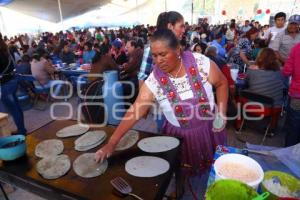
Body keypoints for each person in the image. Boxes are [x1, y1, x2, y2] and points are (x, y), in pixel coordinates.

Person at [95, 30, 227, 183]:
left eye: (163, 54)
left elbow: (222, 83)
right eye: (154, 55)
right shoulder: (154, 81)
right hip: (180, 136)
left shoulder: (201, 63)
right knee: (183, 172)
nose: (158, 61)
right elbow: (136, 109)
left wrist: (222, 113)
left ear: (177, 50)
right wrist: (112, 143)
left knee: (212, 169)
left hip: (208, 128)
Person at [237, 48, 284, 133]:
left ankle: (239, 124)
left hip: (250, 105)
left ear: (259, 57)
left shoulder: (251, 69)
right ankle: (272, 128)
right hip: (269, 109)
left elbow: (245, 83)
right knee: (278, 100)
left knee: (240, 96)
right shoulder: (279, 73)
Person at [137, 11, 186, 88]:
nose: (184, 30)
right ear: (170, 26)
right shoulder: (151, 49)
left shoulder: (179, 49)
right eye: (181, 26)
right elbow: (143, 78)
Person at [0, 33, 27, 135]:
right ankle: (21, 129)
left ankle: (21, 131)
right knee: (16, 107)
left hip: (5, 84)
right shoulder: (5, 49)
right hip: (12, 81)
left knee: (14, 109)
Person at [282, 43, 300, 146]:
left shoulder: (297, 48)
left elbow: (286, 71)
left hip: (297, 94)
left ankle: (289, 155)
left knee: (294, 127)